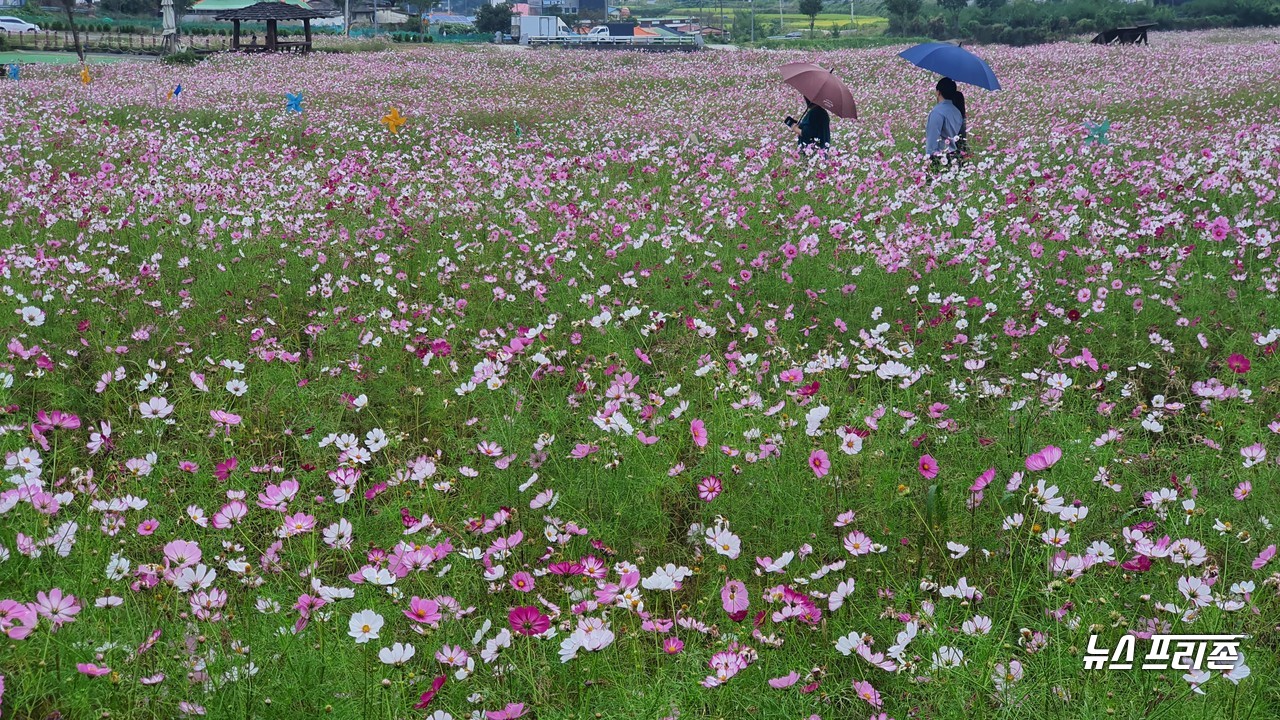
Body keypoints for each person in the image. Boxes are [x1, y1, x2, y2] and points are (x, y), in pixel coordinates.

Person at [925, 77, 966, 164]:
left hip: (942, 158)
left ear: (938, 92)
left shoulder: (937, 112)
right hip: (956, 156)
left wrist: (929, 162)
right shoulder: (957, 111)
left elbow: (932, 141)